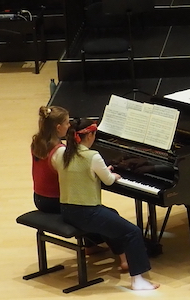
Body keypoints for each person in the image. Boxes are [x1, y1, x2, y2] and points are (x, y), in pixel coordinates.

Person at [54, 122, 157, 290]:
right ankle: (138, 280)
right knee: (132, 232)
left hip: (67, 210)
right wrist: (113, 175)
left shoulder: (61, 153)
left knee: (111, 214)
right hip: (87, 213)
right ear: (89, 135)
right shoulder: (92, 156)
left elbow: (74, 171)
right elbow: (108, 180)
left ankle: (104, 249)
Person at [30, 105, 69, 213]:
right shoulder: (59, 151)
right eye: (67, 123)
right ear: (58, 127)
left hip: (38, 197)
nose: (69, 125)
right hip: (54, 201)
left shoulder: (37, 142)